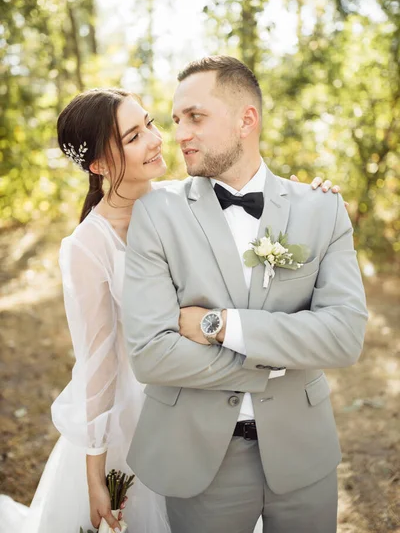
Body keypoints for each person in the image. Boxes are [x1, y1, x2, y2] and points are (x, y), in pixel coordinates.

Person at [0, 85, 342, 533]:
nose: (156, 139)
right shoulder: (88, 246)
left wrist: (312, 200)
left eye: (151, 124)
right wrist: (96, 470)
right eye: (132, 136)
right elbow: (98, 363)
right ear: (99, 164)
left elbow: (263, 207)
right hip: (140, 414)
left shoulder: (193, 198)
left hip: (215, 402)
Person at [122, 56, 368, 533]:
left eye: (195, 117)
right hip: (199, 461)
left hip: (303, 456)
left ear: (246, 120)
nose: (179, 134)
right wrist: (276, 360)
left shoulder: (321, 209)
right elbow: (151, 354)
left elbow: (344, 337)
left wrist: (220, 326)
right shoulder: (155, 213)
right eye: (176, 121)